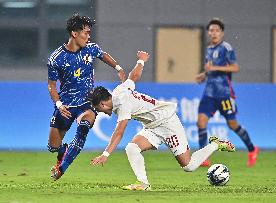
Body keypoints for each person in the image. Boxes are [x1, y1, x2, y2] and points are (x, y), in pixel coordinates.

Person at [89, 51, 236, 191]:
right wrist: (141, 60)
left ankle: (216, 144)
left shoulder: (122, 105)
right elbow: (133, 76)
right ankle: (143, 183)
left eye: (97, 108)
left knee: (188, 166)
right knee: (132, 148)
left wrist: (105, 154)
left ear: (102, 104)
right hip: (151, 127)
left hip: (167, 123)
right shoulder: (118, 91)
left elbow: (119, 132)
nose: (99, 112)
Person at [47, 13, 126, 180]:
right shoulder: (56, 58)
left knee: (83, 127)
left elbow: (103, 55)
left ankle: (62, 168)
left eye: (89, 33)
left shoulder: (90, 48)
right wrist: (59, 105)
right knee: (53, 146)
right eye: (86, 33)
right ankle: (62, 152)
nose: (88, 36)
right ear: (74, 34)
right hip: (66, 105)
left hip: (87, 102)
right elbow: (51, 86)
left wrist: (118, 68)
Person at [195, 18, 259, 167]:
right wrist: (203, 75)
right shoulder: (209, 49)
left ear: (222, 33)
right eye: (211, 30)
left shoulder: (226, 48)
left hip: (224, 94)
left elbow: (235, 67)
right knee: (201, 122)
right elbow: (210, 69)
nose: (214, 33)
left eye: (217, 30)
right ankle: (203, 157)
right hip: (209, 93)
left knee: (232, 124)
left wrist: (216, 68)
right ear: (208, 32)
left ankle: (252, 148)